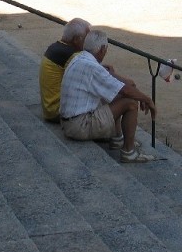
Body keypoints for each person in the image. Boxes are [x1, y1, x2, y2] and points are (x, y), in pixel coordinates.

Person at [60, 30, 157, 163]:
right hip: (79, 126)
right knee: (130, 103)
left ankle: (117, 139)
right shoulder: (92, 67)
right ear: (102, 49)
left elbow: (124, 86)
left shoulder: (79, 58)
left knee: (112, 94)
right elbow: (126, 90)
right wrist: (147, 99)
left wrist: (115, 76)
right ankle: (129, 152)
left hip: (69, 123)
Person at [39, 18, 91, 122]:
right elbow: (93, 74)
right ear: (77, 39)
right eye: (86, 38)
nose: (88, 41)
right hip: (57, 111)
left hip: (50, 108)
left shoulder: (54, 47)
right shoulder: (73, 55)